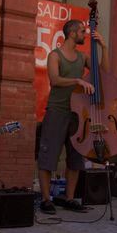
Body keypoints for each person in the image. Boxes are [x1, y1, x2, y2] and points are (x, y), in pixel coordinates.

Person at [37, 19, 109, 214]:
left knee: (75, 158)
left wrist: (103, 47)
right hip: (57, 111)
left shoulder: (83, 56)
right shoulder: (55, 55)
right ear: (72, 33)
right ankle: (46, 199)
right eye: (82, 32)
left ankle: (69, 198)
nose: (85, 35)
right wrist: (77, 80)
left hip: (78, 113)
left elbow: (102, 72)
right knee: (48, 157)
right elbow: (55, 79)